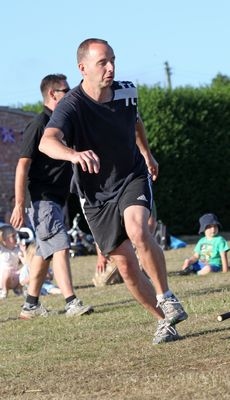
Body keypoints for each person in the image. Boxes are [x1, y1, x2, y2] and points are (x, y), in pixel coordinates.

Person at [39, 38, 188, 344]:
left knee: (137, 230)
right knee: (124, 265)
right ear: (83, 68)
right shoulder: (71, 105)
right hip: (95, 194)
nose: (111, 68)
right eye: (102, 62)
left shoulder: (127, 91)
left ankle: (167, 296)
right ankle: (165, 321)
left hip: (131, 175)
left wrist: (146, 153)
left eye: (112, 60)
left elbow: (135, 122)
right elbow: (47, 141)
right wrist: (73, 154)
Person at [10, 73, 93, 319]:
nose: (70, 94)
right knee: (60, 246)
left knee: (44, 252)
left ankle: (30, 305)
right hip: (42, 199)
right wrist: (20, 204)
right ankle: (71, 302)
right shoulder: (39, 124)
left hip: (57, 199)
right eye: (65, 91)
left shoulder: (62, 124)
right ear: (52, 94)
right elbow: (22, 166)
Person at [0, 224, 22, 299]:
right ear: (4, 239)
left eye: (15, 235)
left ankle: (18, 289)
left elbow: (24, 261)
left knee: (25, 270)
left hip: (15, 276)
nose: (15, 238)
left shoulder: (17, 249)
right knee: (7, 271)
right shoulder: (2, 250)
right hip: (3, 277)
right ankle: (4, 291)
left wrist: (24, 251)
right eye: (12, 236)